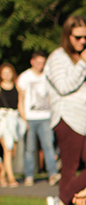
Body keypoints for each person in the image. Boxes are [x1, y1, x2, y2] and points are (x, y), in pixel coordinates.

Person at [44, 15, 86, 205]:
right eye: (77, 37)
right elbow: (64, 87)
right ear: (67, 36)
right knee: (70, 168)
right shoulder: (58, 57)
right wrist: (83, 64)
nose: (83, 41)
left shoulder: (82, 58)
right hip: (67, 117)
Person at [17, 52, 59, 187]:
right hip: (30, 117)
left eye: (43, 63)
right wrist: (23, 118)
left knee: (48, 147)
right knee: (30, 149)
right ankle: (29, 175)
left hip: (46, 117)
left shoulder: (48, 75)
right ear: (32, 62)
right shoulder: (25, 77)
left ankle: (52, 174)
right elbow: (21, 99)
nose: (41, 65)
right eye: (38, 62)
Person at [0, 62, 25, 188]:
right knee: (7, 149)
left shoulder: (17, 88)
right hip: (2, 121)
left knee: (11, 151)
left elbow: (20, 105)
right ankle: (11, 178)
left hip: (14, 120)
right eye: (4, 73)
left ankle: (2, 175)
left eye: (9, 72)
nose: (7, 75)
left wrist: (24, 120)